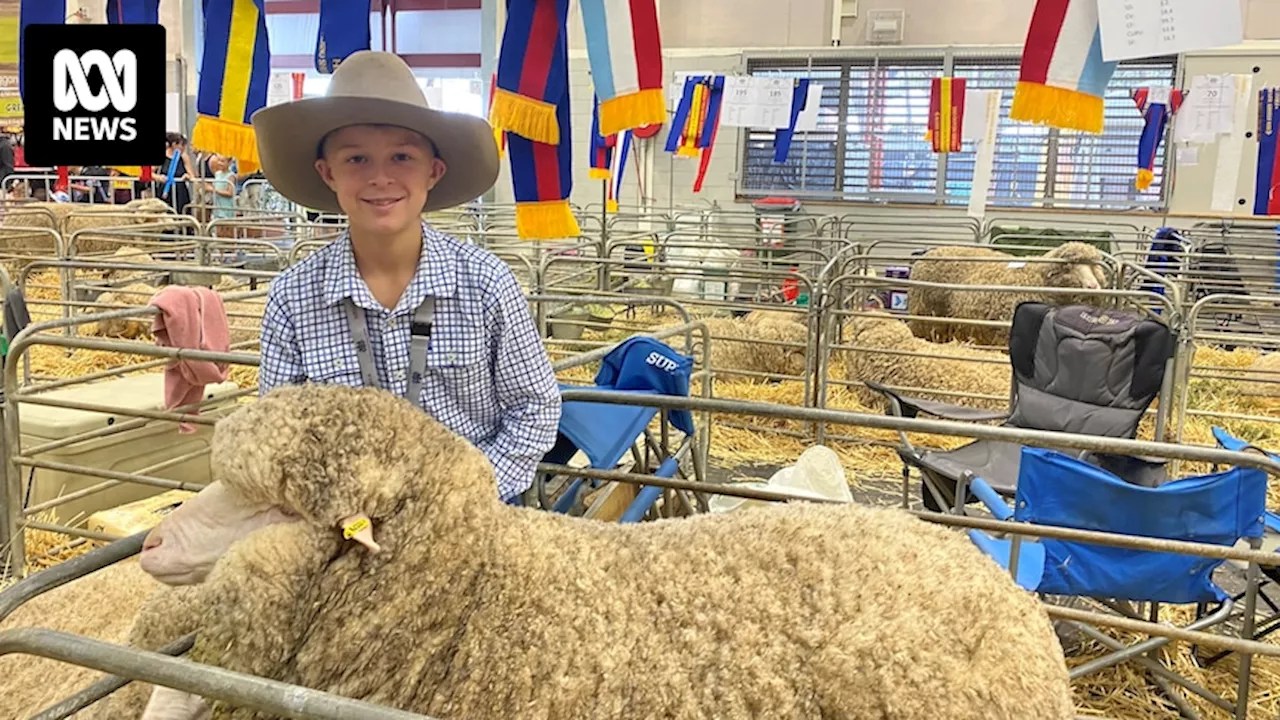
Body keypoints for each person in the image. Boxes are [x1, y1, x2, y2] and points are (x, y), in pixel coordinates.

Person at [251, 50, 561, 503]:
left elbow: (535, 406)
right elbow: (280, 431)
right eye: (356, 160)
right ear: (327, 173)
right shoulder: (293, 299)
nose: (380, 178)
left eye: (401, 157)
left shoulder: (487, 284)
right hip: (348, 523)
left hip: (471, 515)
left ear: (433, 171)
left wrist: (468, 494)